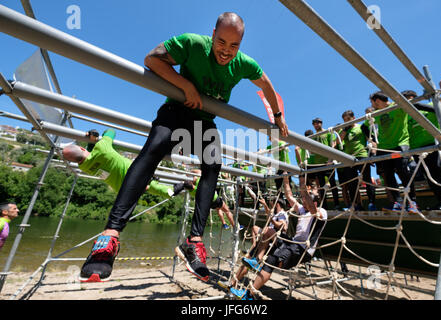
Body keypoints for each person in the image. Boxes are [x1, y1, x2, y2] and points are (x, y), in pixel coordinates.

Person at [79, 12, 289, 283]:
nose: (226, 51)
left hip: (204, 119)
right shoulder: (192, 44)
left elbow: (267, 84)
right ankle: (110, 237)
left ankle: (194, 241)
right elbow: (152, 59)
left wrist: (279, 117)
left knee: (213, 165)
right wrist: (184, 85)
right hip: (176, 110)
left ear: (241, 46)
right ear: (213, 35)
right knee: (153, 149)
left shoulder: (242, 63)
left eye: (234, 46)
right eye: (222, 42)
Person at [230, 174, 327, 300]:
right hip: (292, 243)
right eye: (303, 199)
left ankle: (249, 294)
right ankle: (255, 261)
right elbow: (289, 196)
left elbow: (314, 211)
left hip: (303, 249)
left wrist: (303, 183)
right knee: (269, 232)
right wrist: (286, 178)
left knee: (272, 260)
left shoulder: (321, 212)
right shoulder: (303, 210)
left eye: (306, 199)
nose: (303, 201)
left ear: (313, 202)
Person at [62, 129, 183, 198]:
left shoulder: (84, 167)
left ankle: (173, 190)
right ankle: (174, 189)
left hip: (123, 188)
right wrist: (96, 137)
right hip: (134, 174)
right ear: (82, 149)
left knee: (151, 186)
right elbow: (110, 132)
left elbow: (88, 156)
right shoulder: (102, 148)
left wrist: (91, 143)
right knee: (152, 182)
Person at [369, 91, 419, 213]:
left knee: (403, 172)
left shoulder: (397, 106)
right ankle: (398, 203)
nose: (372, 105)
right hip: (384, 148)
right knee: (388, 174)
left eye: (372, 102)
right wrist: (374, 140)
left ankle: (412, 202)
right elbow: (365, 126)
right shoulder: (376, 114)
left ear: (377, 101)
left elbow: (415, 107)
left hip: (400, 145)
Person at [403, 90, 441, 210]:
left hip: (433, 145)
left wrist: (415, 105)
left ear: (414, 98)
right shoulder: (405, 115)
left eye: (407, 99)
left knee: (440, 171)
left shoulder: (429, 106)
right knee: (429, 176)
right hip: (417, 150)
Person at [339, 110, 377, 211]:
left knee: (367, 180)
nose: (346, 121)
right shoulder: (343, 131)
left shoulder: (361, 127)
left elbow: (371, 140)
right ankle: (356, 205)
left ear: (354, 118)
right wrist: (344, 130)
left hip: (362, 155)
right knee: (352, 183)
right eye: (344, 120)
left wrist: (373, 154)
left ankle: (372, 203)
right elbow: (337, 142)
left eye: (348, 119)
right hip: (349, 158)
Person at [310, 118, 341, 210]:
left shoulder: (328, 132)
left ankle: (337, 205)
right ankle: (324, 206)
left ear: (321, 123)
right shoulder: (313, 136)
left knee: (333, 184)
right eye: (314, 123)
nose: (316, 125)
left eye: (318, 123)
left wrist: (330, 159)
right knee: (321, 186)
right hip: (318, 163)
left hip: (328, 162)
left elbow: (332, 145)